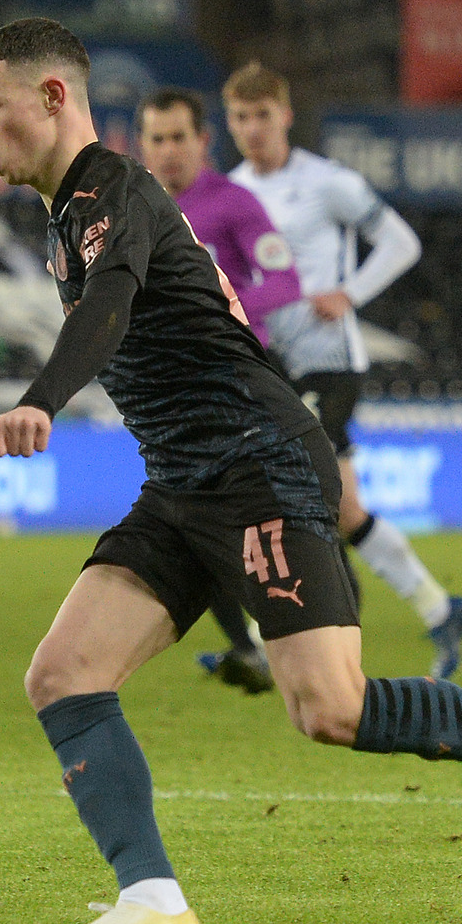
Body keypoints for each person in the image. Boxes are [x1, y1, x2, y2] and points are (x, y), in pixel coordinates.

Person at [0, 19, 462, 924]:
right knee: (65, 673)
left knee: (329, 708)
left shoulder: (113, 191)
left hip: (260, 464)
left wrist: (41, 399)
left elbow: (109, 309)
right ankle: (151, 901)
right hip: (183, 480)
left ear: (55, 98)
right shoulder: (68, 213)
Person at [223, 63, 462, 680]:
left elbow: (401, 242)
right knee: (342, 508)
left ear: (284, 116)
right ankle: (439, 607)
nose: (252, 128)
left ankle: (262, 641)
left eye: (262, 115)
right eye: (240, 117)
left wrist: (351, 292)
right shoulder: (231, 192)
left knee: (288, 488)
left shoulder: (328, 182)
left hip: (329, 359)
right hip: (272, 361)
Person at [136, 86, 304, 695]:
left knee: (245, 521)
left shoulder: (233, 203)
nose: (169, 150)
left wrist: (223, 305)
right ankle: (252, 646)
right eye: (157, 138)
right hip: (171, 395)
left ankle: (285, 643)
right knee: (199, 525)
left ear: (203, 141)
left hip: (238, 383)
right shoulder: (132, 209)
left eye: (179, 137)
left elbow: (285, 280)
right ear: (142, 144)